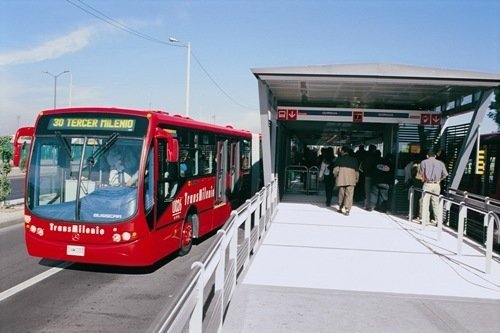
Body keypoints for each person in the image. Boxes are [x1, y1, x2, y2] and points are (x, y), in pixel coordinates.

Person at [417, 149, 448, 226]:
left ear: (427, 156)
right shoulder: (440, 163)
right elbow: (445, 174)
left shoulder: (423, 162)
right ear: (435, 156)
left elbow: (420, 175)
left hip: (427, 184)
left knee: (425, 202)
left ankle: (425, 220)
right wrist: (439, 180)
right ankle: (438, 220)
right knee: (436, 203)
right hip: (436, 185)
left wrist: (423, 179)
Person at [333, 145, 359, 216]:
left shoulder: (339, 159)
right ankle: (347, 210)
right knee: (349, 195)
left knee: (341, 194)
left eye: (341, 150)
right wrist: (356, 178)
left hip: (341, 179)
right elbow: (356, 171)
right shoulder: (354, 160)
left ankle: (340, 208)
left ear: (343, 151)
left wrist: (335, 176)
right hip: (351, 180)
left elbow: (336, 170)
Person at [359, 144, 377, 210]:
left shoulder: (365, 157)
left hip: (367, 176)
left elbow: (361, 167)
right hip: (375, 177)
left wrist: (364, 173)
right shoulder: (376, 157)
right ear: (374, 150)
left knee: (367, 191)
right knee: (374, 192)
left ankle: (366, 205)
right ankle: (372, 205)